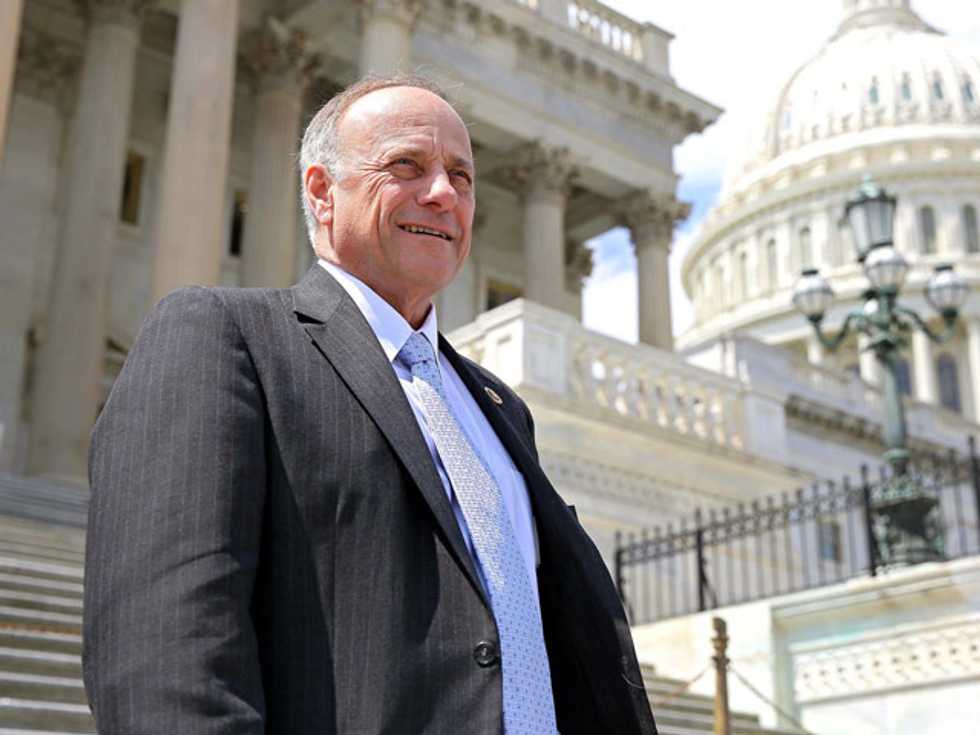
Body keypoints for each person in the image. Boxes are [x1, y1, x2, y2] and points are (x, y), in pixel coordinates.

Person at [83, 74, 658, 735]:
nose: (443, 194)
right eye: (406, 165)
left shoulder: (500, 409)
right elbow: (166, 659)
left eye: (462, 177)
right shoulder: (225, 338)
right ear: (322, 192)